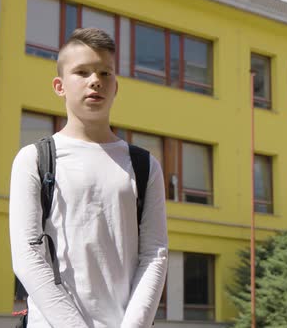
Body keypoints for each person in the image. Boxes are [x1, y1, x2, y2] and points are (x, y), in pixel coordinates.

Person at [9, 28, 168, 328]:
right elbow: (28, 257)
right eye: (82, 72)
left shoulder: (145, 165)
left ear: (116, 86)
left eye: (105, 73)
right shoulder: (33, 160)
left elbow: (154, 255)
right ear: (59, 86)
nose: (95, 80)